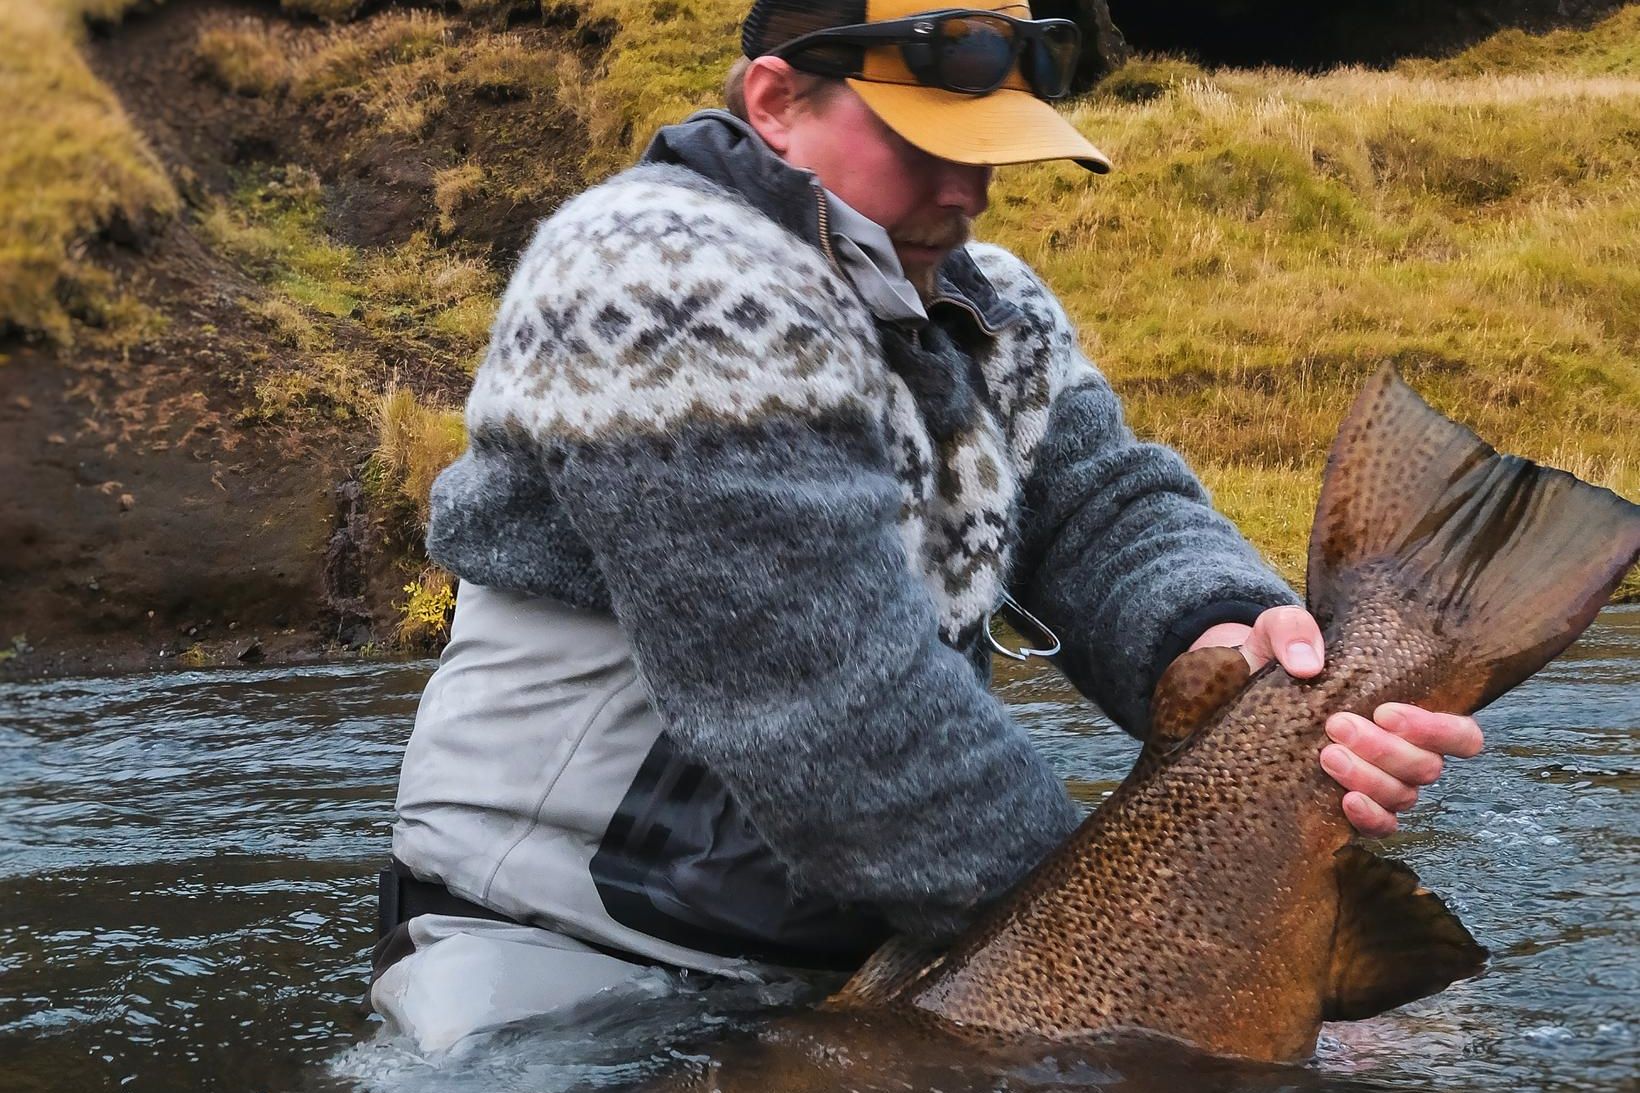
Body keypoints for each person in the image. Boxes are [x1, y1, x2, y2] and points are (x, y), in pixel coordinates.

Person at [368, 0, 1484, 1054]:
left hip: (878, 947)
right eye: (922, 140)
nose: (969, 185)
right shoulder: (653, 273)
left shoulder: (984, 302)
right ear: (774, 101)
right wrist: (1200, 952)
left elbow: (1107, 511)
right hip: (561, 959)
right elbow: (825, 714)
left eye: (991, 144)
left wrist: (1227, 648)